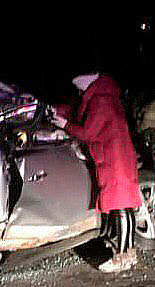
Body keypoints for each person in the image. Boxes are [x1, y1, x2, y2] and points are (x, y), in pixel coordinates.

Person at [51, 72, 142, 273]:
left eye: (78, 86)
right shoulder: (105, 96)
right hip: (119, 157)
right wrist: (60, 113)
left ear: (85, 83)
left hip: (114, 159)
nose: (78, 91)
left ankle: (123, 257)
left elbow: (88, 133)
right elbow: (78, 113)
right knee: (124, 207)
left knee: (121, 207)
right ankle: (128, 253)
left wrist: (64, 125)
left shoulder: (99, 101)